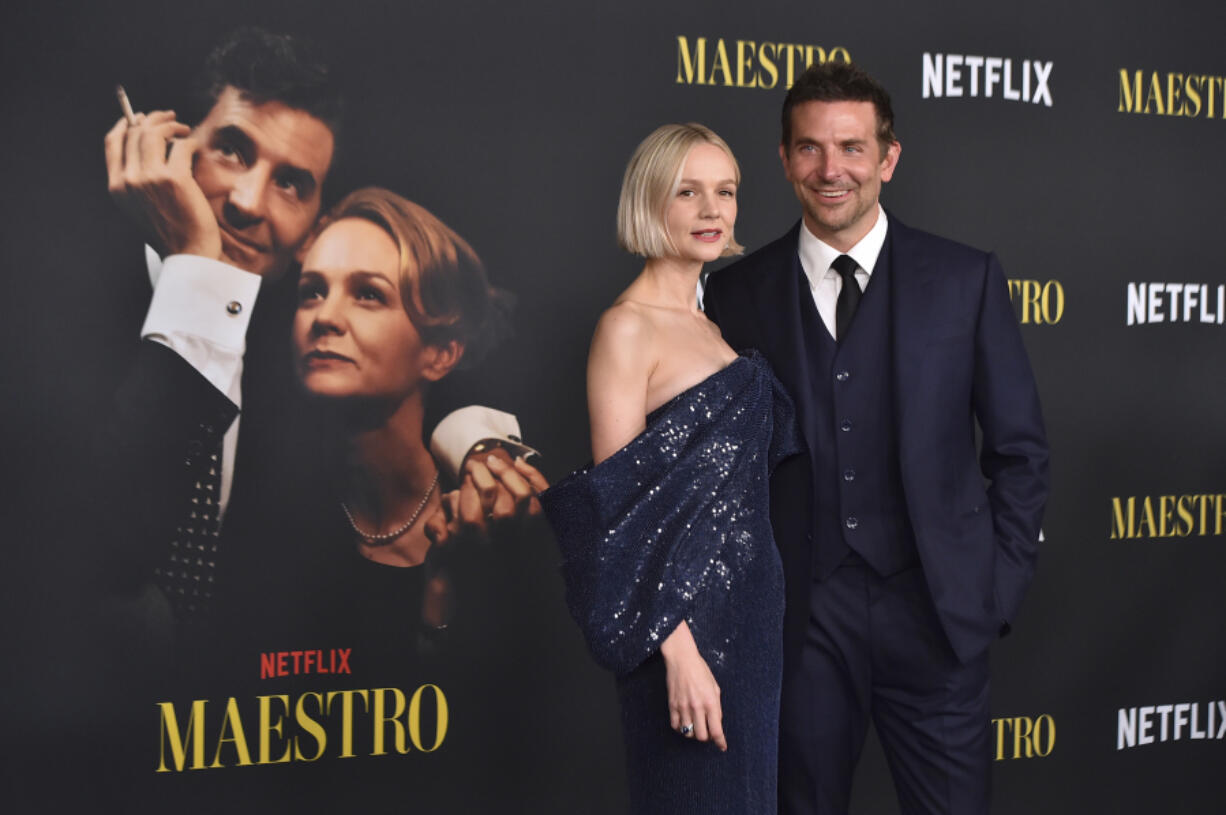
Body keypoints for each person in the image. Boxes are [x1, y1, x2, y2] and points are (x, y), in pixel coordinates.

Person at [702, 61, 1051, 815]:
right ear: (785, 159)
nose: (832, 170)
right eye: (810, 148)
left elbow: (1020, 451)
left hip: (936, 613)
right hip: (799, 623)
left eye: (853, 148)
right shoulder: (733, 293)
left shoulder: (966, 280)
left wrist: (994, 587)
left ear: (888, 158)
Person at [541, 124, 800, 814]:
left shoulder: (712, 326)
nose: (713, 210)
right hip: (679, 626)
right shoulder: (626, 327)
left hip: (753, 618)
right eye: (689, 192)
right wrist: (677, 652)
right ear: (650, 203)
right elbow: (617, 515)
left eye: (726, 191)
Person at [253, 186, 549, 667]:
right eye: (312, 292)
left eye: (368, 294)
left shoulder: (493, 516)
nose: (324, 317)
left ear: (440, 353)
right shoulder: (265, 511)